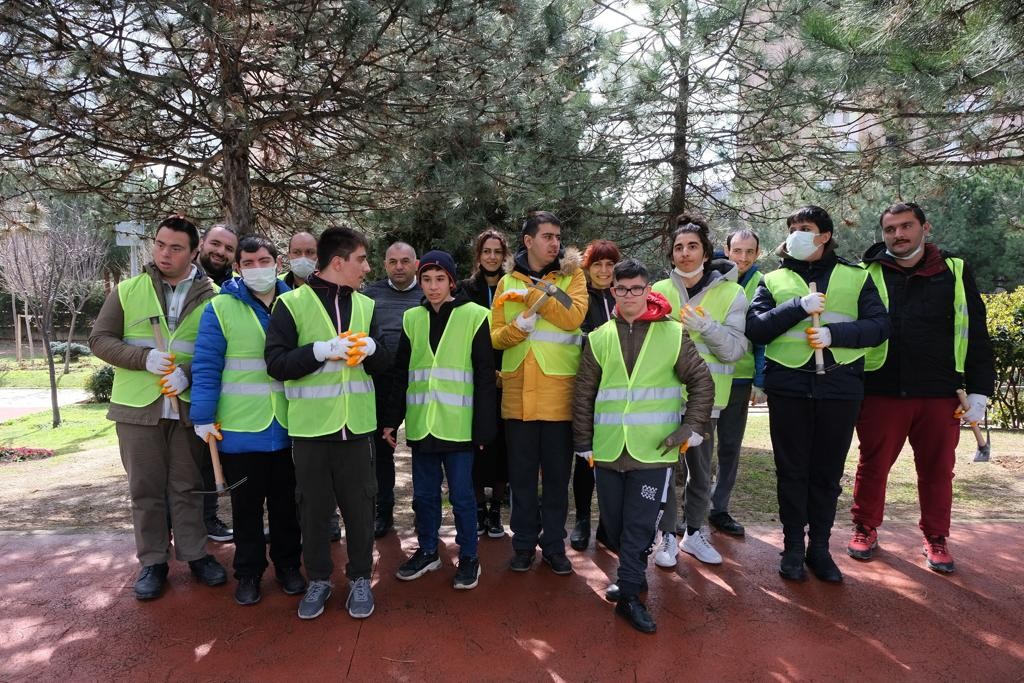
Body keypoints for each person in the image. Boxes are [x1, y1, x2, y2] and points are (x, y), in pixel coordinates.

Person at [848, 202, 994, 574]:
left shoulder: (955, 271)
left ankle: (936, 537)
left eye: (906, 226)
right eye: (890, 229)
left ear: (924, 228)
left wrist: (979, 391)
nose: (898, 234)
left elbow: (975, 332)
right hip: (881, 389)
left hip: (941, 393)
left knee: (938, 470)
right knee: (873, 465)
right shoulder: (867, 273)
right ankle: (865, 528)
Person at [746, 205, 889, 583]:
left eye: (805, 228)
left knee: (827, 473)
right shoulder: (773, 280)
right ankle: (793, 546)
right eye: (792, 228)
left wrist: (834, 336)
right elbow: (757, 329)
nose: (796, 234)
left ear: (824, 235)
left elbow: (879, 326)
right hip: (789, 387)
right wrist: (797, 307)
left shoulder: (855, 277)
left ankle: (820, 548)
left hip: (840, 388)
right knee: (791, 471)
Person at [89, 215, 227, 600]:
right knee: (145, 490)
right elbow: (99, 340)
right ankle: (153, 562)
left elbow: (218, 351)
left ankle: (196, 554)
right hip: (137, 410)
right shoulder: (128, 290)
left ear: (194, 252)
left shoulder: (215, 297)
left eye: (176, 247)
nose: (165, 253)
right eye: (161, 244)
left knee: (187, 487)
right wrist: (142, 358)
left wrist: (187, 373)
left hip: (185, 407)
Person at [573, 259, 714, 633]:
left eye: (637, 288)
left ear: (648, 289)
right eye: (622, 289)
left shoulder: (672, 334)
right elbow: (584, 394)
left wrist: (691, 427)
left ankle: (630, 596)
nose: (629, 295)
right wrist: (583, 442)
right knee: (616, 527)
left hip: (654, 451)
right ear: (613, 291)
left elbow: (702, 382)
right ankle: (632, 573)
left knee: (637, 525)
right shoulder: (600, 336)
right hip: (607, 450)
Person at [265, 225, 392, 620]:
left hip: (356, 429)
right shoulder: (291, 304)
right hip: (311, 430)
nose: (367, 267)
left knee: (360, 507)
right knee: (314, 511)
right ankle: (319, 578)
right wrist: (320, 350)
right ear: (338, 262)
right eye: (361, 259)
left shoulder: (367, 305)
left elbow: (384, 365)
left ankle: (358, 579)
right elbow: (276, 364)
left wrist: (373, 349)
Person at [189, 236, 306, 606]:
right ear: (238, 267)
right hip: (241, 430)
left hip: (291, 425)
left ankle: (288, 567)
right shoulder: (219, 308)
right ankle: (250, 572)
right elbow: (207, 366)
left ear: (277, 261)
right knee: (246, 510)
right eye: (249, 262)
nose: (258, 268)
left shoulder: (297, 304)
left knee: (288, 507)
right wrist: (202, 416)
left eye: (264, 260)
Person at [382, 251, 497, 590]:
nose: (432, 287)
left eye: (440, 279)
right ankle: (429, 550)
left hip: (459, 428)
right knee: (425, 496)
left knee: (462, 496)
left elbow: (485, 377)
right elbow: (401, 373)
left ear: (452, 281)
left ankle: (470, 557)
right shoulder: (412, 319)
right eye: (427, 279)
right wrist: (391, 420)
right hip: (422, 426)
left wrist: (484, 428)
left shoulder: (475, 316)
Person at [491, 211, 587, 575]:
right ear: (528, 240)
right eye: (546, 236)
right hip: (517, 398)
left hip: (559, 397)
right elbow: (497, 336)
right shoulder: (504, 283)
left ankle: (553, 547)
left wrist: (534, 291)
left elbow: (572, 316)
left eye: (558, 236)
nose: (554, 243)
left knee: (557, 481)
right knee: (521, 480)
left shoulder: (572, 276)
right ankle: (522, 545)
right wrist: (520, 326)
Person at [650, 216, 747, 569]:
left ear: (706, 251)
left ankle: (695, 532)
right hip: (662, 399)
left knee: (700, 472)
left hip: (707, 402)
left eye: (692, 246)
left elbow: (734, 350)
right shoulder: (658, 289)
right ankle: (667, 537)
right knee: (663, 469)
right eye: (678, 247)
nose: (685, 253)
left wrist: (706, 327)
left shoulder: (732, 292)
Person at [708, 228, 767, 537]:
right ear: (726, 250)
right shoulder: (709, 277)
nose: (742, 257)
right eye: (737, 251)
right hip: (705, 376)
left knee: (730, 446)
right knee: (697, 446)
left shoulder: (762, 283)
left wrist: (760, 380)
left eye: (749, 252)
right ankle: (689, 508)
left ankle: (719, 508)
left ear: (757, 254)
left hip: (740, 378)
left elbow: (763, 337)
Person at [363, 241, 422, 538]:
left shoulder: (428, 293)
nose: (399, 267)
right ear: (385, 264)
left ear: (416, 263)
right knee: (382, 449)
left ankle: (424, 511)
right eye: (393, 261)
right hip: (382, 382)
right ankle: (382, 512)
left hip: (421, 380)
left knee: (425, 447)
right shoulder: (369, 294)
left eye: (405, 261)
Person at [457, 229, 511, 538]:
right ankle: (478, 507)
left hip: (508, 377)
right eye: (486, 251)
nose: (492, 257)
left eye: (497, 252)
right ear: (478, 256)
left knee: (503, 447)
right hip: (476, 379)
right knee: (476, 444)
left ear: (505, 256)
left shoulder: (513, 288)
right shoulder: (465, 290)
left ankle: (496, 511)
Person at [570, 238, 621, 552]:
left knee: (612, 456)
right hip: (587, 384)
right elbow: (576, 336)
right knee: (585, 456)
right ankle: (581, 520)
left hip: (618, 388)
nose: (603, 271)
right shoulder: (580, 297)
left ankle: (607, 521)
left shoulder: (624, 294)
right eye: (597, 265)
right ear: (587, 269)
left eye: (609, 265)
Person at [192, 223, 239, 541]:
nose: (220, 252)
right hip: (177, 386)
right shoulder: (186, 283)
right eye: (216, 244)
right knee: (187, 467)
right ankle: (182, 527)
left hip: (224, 393)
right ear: (201, 244)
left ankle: (209, 519)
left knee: (212, 464)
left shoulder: (236, 290)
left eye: (228, 248)